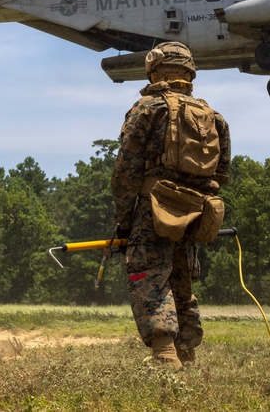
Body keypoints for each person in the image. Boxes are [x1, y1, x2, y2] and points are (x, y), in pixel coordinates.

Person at [111, 41, 231, 369]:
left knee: (148, 274)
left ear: (153, 68)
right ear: (190, 72)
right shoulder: (214, 117)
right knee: (180, 277)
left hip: (154, 208)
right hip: (195, 211)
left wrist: (123, 218)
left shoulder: (148, 108)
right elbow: (221, 173)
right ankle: (187, 352)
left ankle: (165, 354)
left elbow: (127, 170)